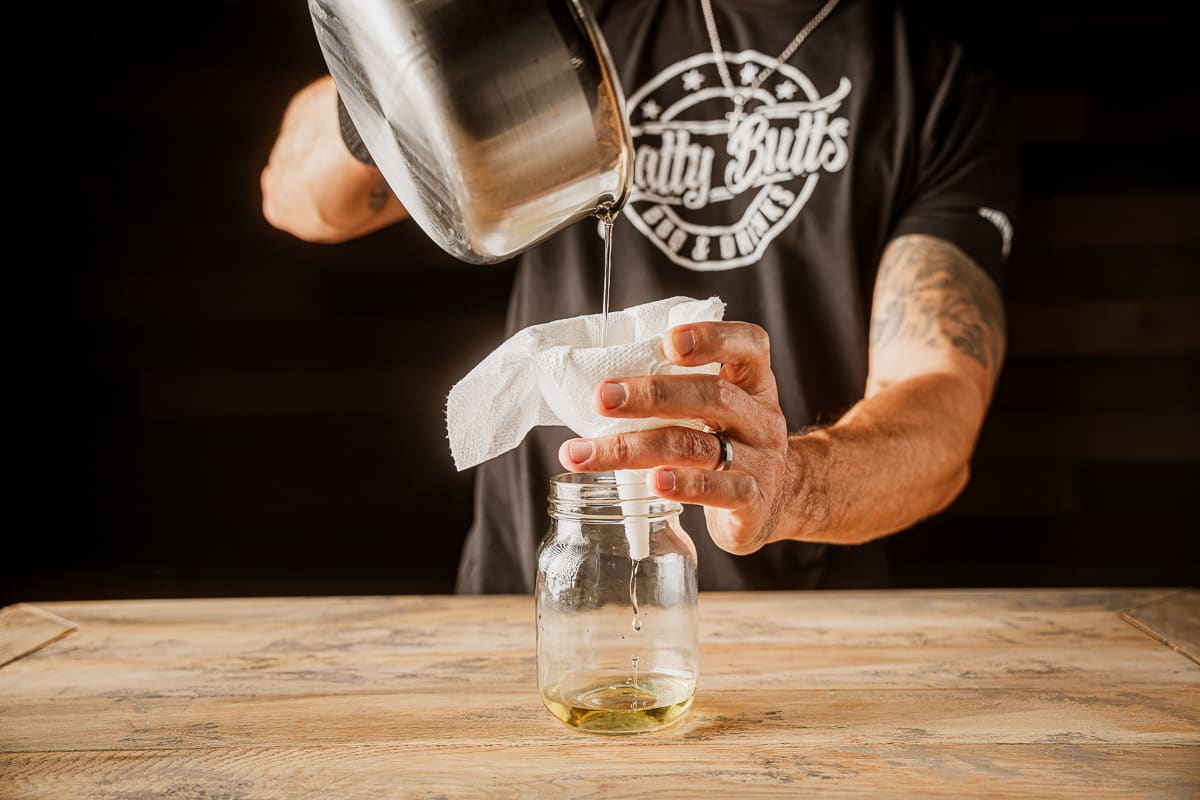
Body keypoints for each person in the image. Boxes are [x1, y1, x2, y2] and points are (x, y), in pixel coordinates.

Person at [261, 0, 1017, 593]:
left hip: (796, 626)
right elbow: (298, 200)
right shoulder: (571, 22)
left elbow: (939, 403)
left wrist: (789, 488)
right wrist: (405, 68)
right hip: (533, 587)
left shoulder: (938, 94)